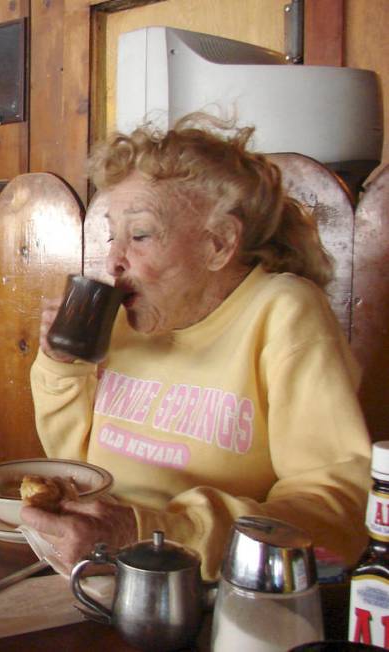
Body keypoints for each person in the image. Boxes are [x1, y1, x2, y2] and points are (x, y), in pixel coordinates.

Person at [22, 114, 372, 580]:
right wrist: (62, 368)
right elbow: (81, 468)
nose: (113, 260)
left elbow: (336, 509)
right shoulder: (125, 320)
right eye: (113, 235)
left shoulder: (282, 312)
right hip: (96, 570)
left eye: (140, 235)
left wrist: (155, 536)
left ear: (219, 244)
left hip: (207, 590)